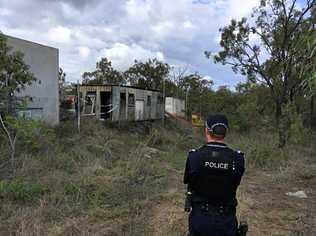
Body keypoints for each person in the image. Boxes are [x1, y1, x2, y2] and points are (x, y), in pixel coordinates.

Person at [184, 114, 245, 236]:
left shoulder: (194, 156)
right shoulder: (238, 158)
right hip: (226, 220)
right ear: (225, 132)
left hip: (200, 219)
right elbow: (235, 182)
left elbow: (189, 181)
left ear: (206, 130)